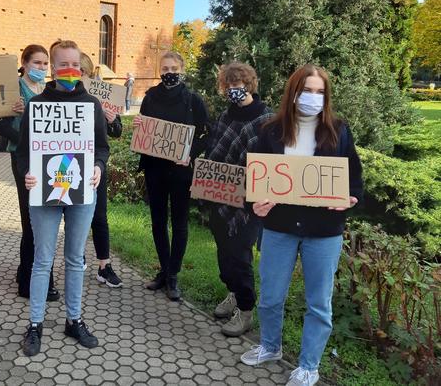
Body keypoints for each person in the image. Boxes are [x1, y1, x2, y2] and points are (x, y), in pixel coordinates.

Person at [240, 64, 363, 386]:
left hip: (323, 232)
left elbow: (355, 182)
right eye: (306, 90)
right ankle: (270, 347)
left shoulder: (339, 130)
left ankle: (309, 365)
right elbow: (253, 182)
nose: (313, 97)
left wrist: (350, 199)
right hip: (279, 228)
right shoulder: (270, 131)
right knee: (270, 296)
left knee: (319, 304)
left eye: (319, 92)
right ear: (293, 93)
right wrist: (255, 203)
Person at [16, 40, 110, 356]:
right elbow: (23, 151)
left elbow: (102, 147)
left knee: (74, 259)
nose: (69, 70)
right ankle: (35, 325)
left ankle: (74, 320)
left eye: (74, 65)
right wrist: (28, 172)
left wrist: (97, 166)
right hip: (45, 192)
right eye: (62, 64)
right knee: (42, 260)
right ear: (52, 68)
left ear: (81, 68)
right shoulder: (36, 106)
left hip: (82, 191)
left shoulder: (92, 105)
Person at [205, 62, 272, 337]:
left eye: (239, 84)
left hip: (249, 204)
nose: (234, 89)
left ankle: (245, 312)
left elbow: (270, 161)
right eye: (229, 85)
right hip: (221, 197)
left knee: (240, 255)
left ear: (250, 85)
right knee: (223, 252)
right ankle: (232, 293)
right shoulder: (225, 117)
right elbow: (215, 150)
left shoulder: (266, 120)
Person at [135, 51, 209, 301]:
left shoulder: (193, 101)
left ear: (182, 69)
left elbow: (207, 134)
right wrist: (139, 128)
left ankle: (174, 274)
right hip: (155, 169)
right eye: (165, 68)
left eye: (174, 68)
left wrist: (189, 154)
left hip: (180, 171)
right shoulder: (150, 97)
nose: (169, 72)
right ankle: (164, 271)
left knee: (179, 223)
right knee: (158, 221)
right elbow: (143, 127)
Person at [0, 44, 60, 301]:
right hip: (23, 160)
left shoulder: (49, 90)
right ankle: (29, 281)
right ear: (24, 62)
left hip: (48, 160)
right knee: (31, 219)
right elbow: (2, 127)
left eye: (45, 64)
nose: (42, 68)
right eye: (37, 63)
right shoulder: (14, 89)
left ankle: (35, 274)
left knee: (48, 217)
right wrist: (16, 119)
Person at [79, 52, 123, 287]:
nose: (80, 78)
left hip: (96, 165)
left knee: (99, 216)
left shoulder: (104, 99)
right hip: (71, 163)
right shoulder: (66, 98)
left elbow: (117, 132)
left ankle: (104, 266)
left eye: (84, 74)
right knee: (74, 215)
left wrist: (112, 119)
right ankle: (78, 256)